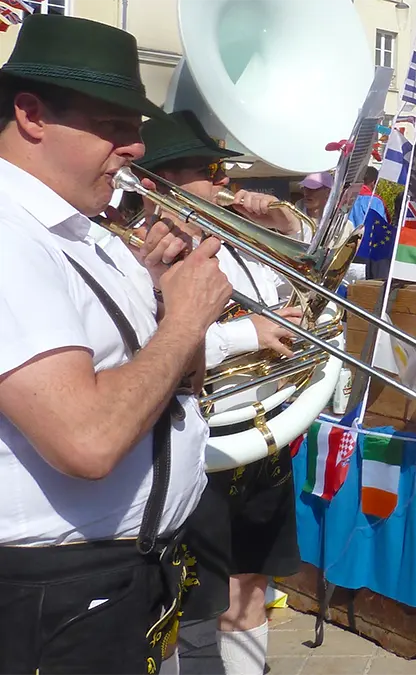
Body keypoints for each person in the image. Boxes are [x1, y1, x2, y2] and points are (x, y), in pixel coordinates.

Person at [0, 15, 233, 674]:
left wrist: (164, 299)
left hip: (124, 576)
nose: (136, 149)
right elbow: (88, 440)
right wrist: (185, 319)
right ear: (32, 114)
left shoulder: (89, 234)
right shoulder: (9, 236)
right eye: (115, 127)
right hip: (55, 592)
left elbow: (181, 388)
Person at [136, 110, 308, 675]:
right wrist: (245, 334)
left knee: (251, 585)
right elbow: (141, 350)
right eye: (200, 173)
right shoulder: (136, 257)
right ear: (154, 183)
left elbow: (305, 283)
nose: (218, 184)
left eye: (215, 170)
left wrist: (283, 220)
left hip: (263, 437)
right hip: (195, 450)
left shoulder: (232, 244)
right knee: (189, 608)